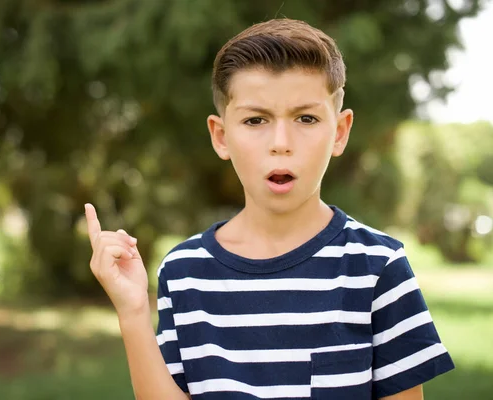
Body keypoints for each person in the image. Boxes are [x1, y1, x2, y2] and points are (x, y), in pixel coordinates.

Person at [86, 18, 454, 400]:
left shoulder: (378, 266)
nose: (281, 142)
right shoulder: (184, 273)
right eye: (255, 120)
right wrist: (132, 314)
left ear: (340, 132)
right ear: (221, 136)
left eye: (306, 118)